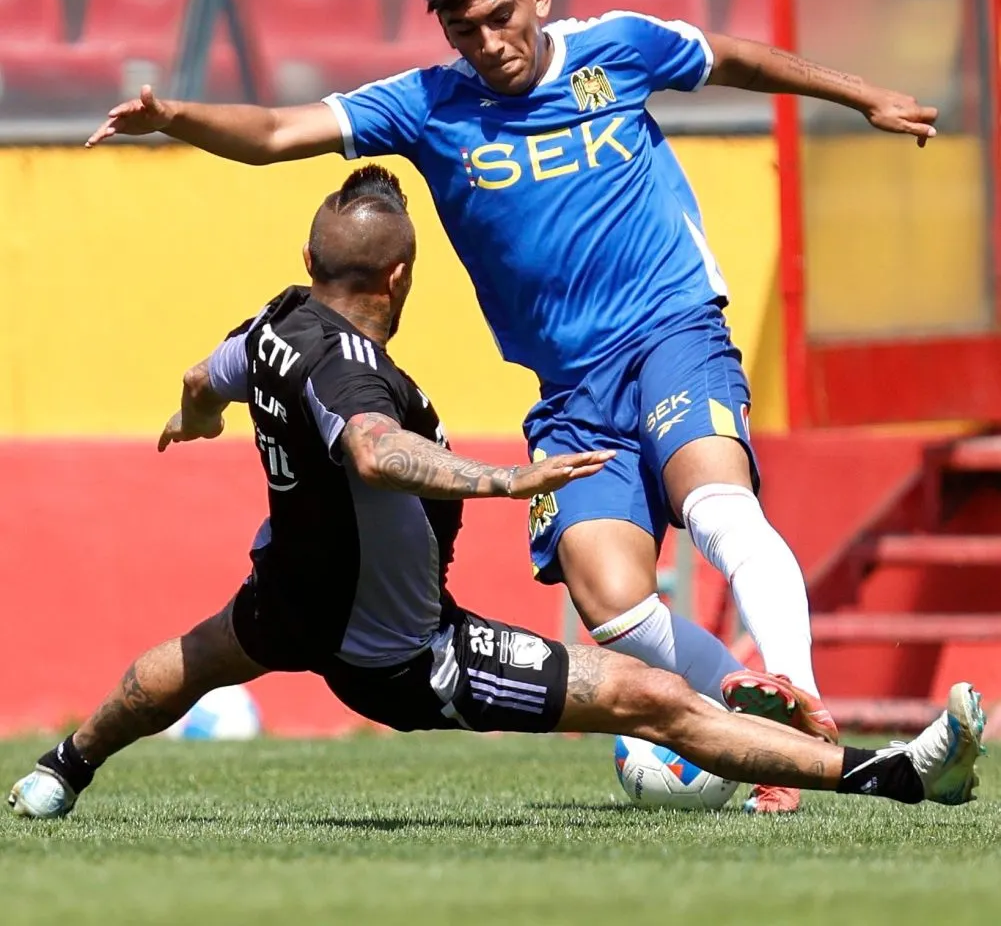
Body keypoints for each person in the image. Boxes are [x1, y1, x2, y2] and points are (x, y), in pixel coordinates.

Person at [83, 0, 943, 813]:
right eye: (465, 29)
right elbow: (271, 130)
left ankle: (806, 709)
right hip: (569, 390)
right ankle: (761, 728)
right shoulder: (426, 103)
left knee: (716, 506)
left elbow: (734, 58)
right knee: (612, 603)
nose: (490, 43)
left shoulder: (619, 48)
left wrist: (863, 96)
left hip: (670, 332)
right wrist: (173, 116)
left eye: (502, 16)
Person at [8, 165, 983, 821]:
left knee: (176, 667)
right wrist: (505, 477)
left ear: (310, 267)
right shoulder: (352, 371)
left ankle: (62, 767)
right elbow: (378, 453)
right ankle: (890, 772)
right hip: (406, 653)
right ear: (398, 276)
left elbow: (203, 371)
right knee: (649, 695)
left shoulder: (274, 323)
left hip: (291, 602)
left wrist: (199, 415)